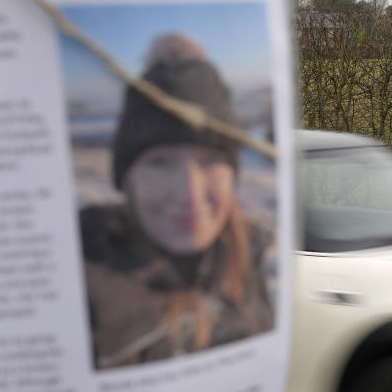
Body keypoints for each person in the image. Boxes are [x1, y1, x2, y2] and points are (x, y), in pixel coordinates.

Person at [81, 33, 274, 370]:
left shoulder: (246, 257)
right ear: (129, 179)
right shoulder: (86, 275)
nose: (189, 191)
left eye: (210, 160)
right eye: (160, 162)